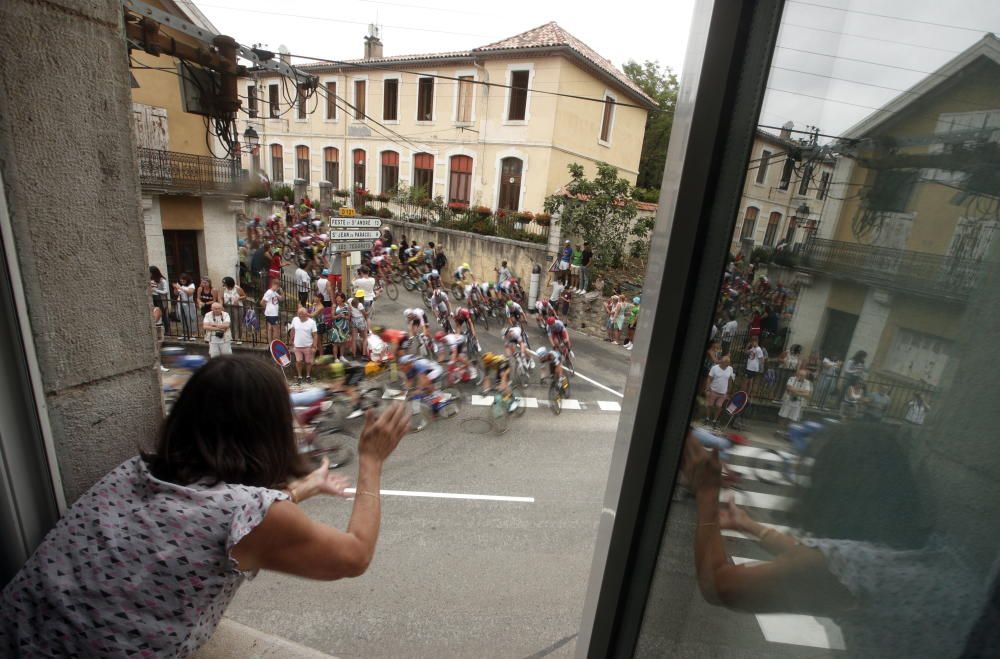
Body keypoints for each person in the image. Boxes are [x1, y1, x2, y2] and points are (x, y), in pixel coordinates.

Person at [0, 356, 410, 658]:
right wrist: (371, 461)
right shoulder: (249, 514)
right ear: (266, 432)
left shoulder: (134, 472)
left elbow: (214, 521)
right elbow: (354, 556)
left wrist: (301, 489)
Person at [682, 422, 983, 659]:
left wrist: (706, 494)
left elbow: (718, 586)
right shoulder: (934, 551)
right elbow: (837, 564)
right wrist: (750, 525)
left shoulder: (848, 568)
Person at [289, 307, 318, 384]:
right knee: (298, 361)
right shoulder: (295, 319)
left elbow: (315, 335)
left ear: (306, 314)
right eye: (299, 314)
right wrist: (291, 341)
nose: (300, 316)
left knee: (308, 362)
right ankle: (299, 376)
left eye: (302, 314)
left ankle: (308, 376)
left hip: (308, 346)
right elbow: (292, 330)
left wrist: (314, 346)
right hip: (297, 346)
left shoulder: (312, 322)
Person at [704, 355, 734, 427]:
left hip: (723, 392)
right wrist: (707, 389)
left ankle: (714, 420)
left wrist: (728, 392)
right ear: (722, 362)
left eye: (729, 362)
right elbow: (709, 378)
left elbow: (730, 380)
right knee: (710, 405)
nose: (728, 364)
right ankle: (707, 418)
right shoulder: (714, 368)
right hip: (713, 390)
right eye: (726, 362)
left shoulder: (730, 369)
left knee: (718, 406)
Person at [221, 276, 247, 344]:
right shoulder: (224, 289)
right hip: (228, 307)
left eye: (225, 283)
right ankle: (232, 337)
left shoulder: (237, 288)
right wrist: (221, 305)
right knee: (230, 323)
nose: (223, 285)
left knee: (238, 323)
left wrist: (238, 298)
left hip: (237, 307)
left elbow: (244, 296)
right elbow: (221, 297)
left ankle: (239, 338)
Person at [172, 273, 197, 341]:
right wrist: (175, 288)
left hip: (188, 304)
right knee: (182, 318)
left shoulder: (191, 285)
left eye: (183, 280)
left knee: (190, 318)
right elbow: (176, 293)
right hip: (181, 304)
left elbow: (190, 292)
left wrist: (180, 287)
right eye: (181, 280)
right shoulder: (181, 285)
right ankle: (184, 333)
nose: (182, 281)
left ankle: (193, 334)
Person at [149, 266, 170, 335]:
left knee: (163, 314)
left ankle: (167, 330)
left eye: (150, 273)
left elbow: (166, 291)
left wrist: (156, 290)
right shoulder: (150, 280)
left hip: (159, 298)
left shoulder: (162, 280)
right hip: (152, 297)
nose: (149, 274)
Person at [331, 291, 351, 362]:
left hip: (344, 327)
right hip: (336, 327)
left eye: (339, 298)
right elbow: (332, 317)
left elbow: (349, 317)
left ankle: (342, 356)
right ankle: (336, 358)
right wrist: (338, 316)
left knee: (343, 342)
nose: (337, 300)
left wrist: (344, 317)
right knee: (335, 343)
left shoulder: (347, 306)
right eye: (337, 298)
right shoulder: (334, 306)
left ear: (343, 299)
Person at [349, 291, 370, 359]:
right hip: (360, 320)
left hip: (353, 320)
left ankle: (354, 355)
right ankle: (363, 355)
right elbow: (365, 314)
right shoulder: (360, 304)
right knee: (365, 337)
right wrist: (369, 311)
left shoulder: (349, 300)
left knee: (354, 339)